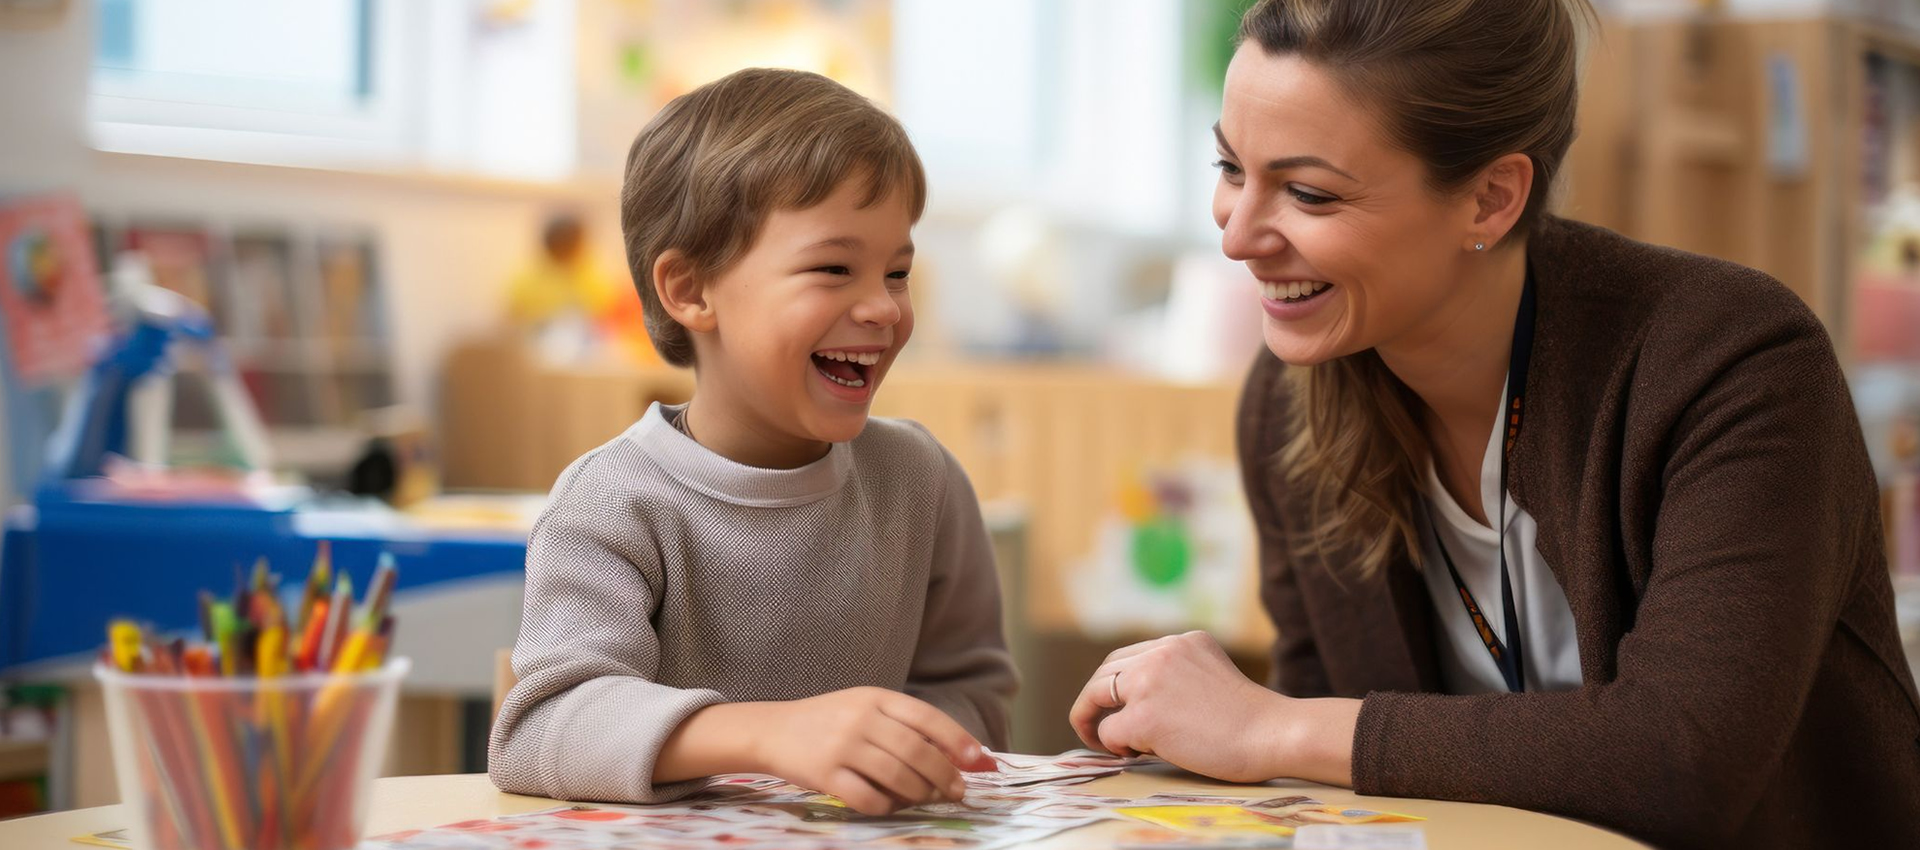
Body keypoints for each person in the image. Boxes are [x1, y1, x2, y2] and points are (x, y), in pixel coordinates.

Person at [1067, 1, 1920, 847]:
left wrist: (1269, 726)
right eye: (1229, 167)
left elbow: (1681, 763)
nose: (1237, 236)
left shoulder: (1734, 361)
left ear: (1490, 199)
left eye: (1309, 193)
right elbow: (1321, 798)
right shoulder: (1289, 400)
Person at [489, 68, 1014, 815]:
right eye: (834, 268)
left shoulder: (919, 479)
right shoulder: (611, 503)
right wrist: (770, 735)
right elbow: (540, 728)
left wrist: (914, 753)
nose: (882, 308)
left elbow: (974, 694)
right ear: (689, 290)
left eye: (896, 272)